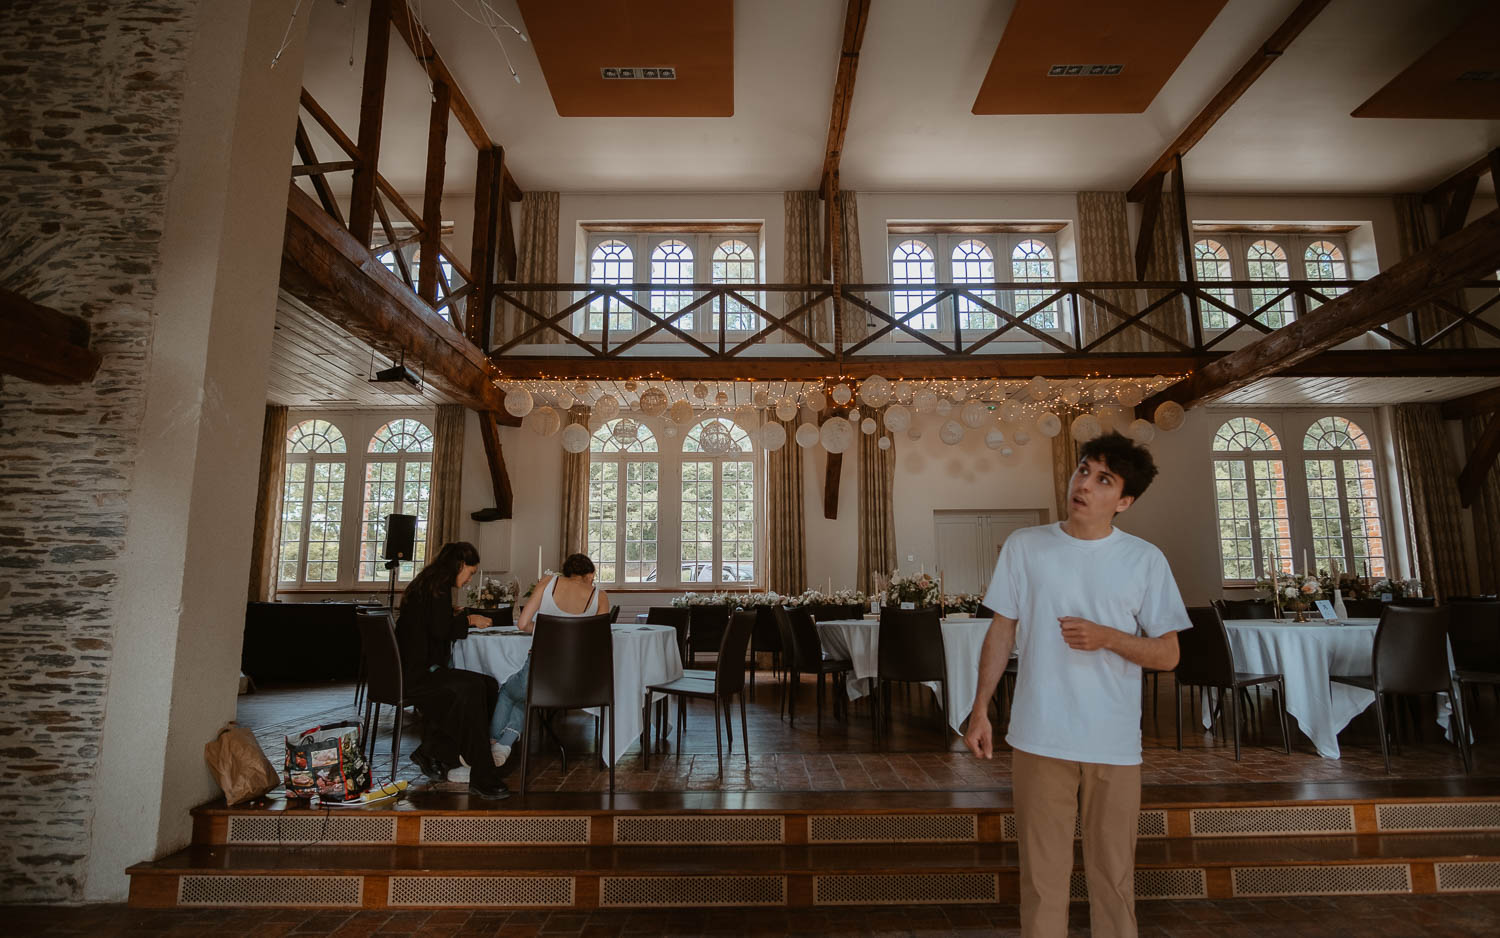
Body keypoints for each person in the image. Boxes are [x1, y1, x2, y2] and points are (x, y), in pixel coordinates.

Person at [963, 431, 1189, 938]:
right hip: (1040, 736)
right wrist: (980, 709)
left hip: (1112, 743)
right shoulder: (1026, 546)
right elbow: (1001, 632)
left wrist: (1110, 638)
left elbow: (1169, 654)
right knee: (1042, 882)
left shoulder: (1144, 560)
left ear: (1124, 501)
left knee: (1114, 880)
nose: (1084, 483)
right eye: (1083, 470)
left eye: (1103, 479)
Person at [394, 541, 510, 800]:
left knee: (487, 685)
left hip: (416, 669)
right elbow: (441, 631)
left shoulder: (428, 583)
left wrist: (449, 614)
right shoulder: (438, 589)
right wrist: (469, 620)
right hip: (419, 675)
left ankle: (435, 748)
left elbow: (432, 624)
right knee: (472, 689)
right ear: (459, 565)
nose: (469, 579)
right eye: (470, 572)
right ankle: (482, 774)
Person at [487, 553, 610, 768]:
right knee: (524, 696)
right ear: (589, 573)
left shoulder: (548, 583)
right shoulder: (600, 596)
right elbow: (598, 640)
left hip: (541, 677)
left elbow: (523, 624)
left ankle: (492, 744)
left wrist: (548, 631)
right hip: (582, 684)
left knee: (509, 690)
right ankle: (503, 745)